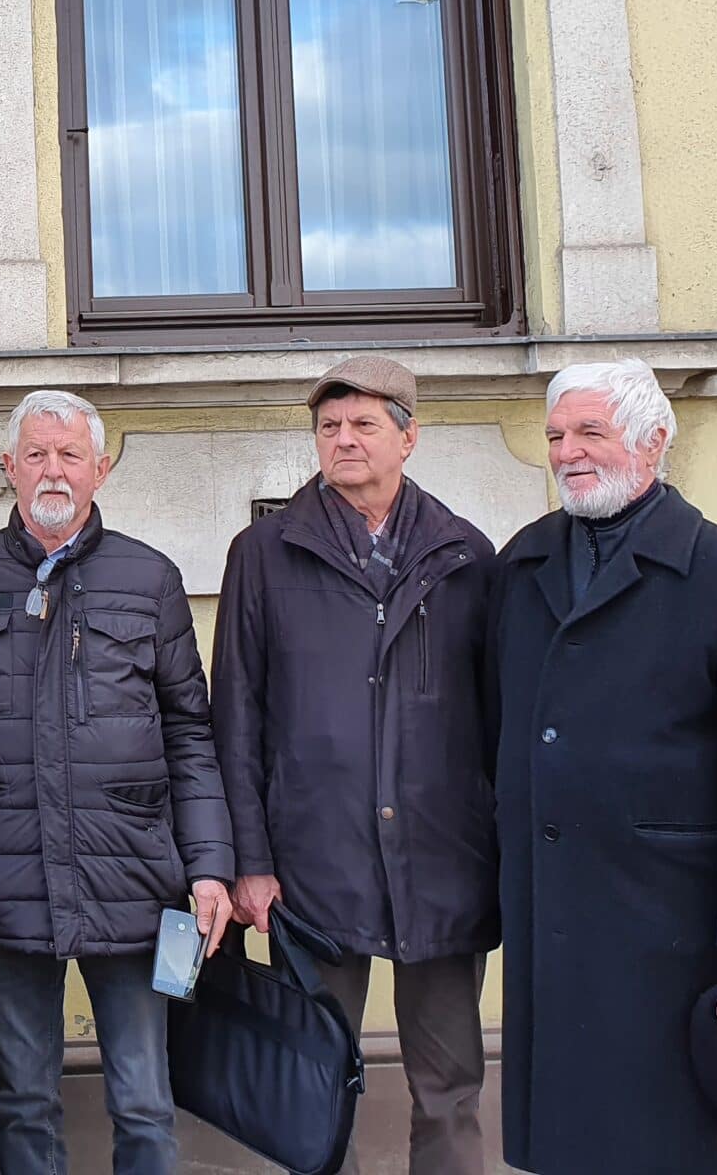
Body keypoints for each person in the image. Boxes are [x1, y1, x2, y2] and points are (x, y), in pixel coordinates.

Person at [489, 358, 717, 1173]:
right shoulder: (524, 564)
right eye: (555, 435)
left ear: (653, 441)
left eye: (590, 432)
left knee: (685, 1146)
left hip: (682, 936)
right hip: (557, 923)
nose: (568, 451)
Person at [0, 389, 234, 1175]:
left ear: (101, 468)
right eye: (36, 454)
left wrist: (208, 866)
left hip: (132, 875)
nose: (53, 470)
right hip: (7, 875)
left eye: (70, 455)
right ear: (9, 468)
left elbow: (189, 731)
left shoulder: (151, 577)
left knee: (141, 1099)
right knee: (23, 1097)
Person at [212, 356, 497, 1175]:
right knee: (311, 1080)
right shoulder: (264, 552)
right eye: (330, 427)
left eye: (365, 425)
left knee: (449, 1082)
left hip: (442, 863)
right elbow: (235, 716)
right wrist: (250, 864)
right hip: (312, 865)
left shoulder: (466, 554)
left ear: (410, 438)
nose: (344, 440)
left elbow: (491, 718)